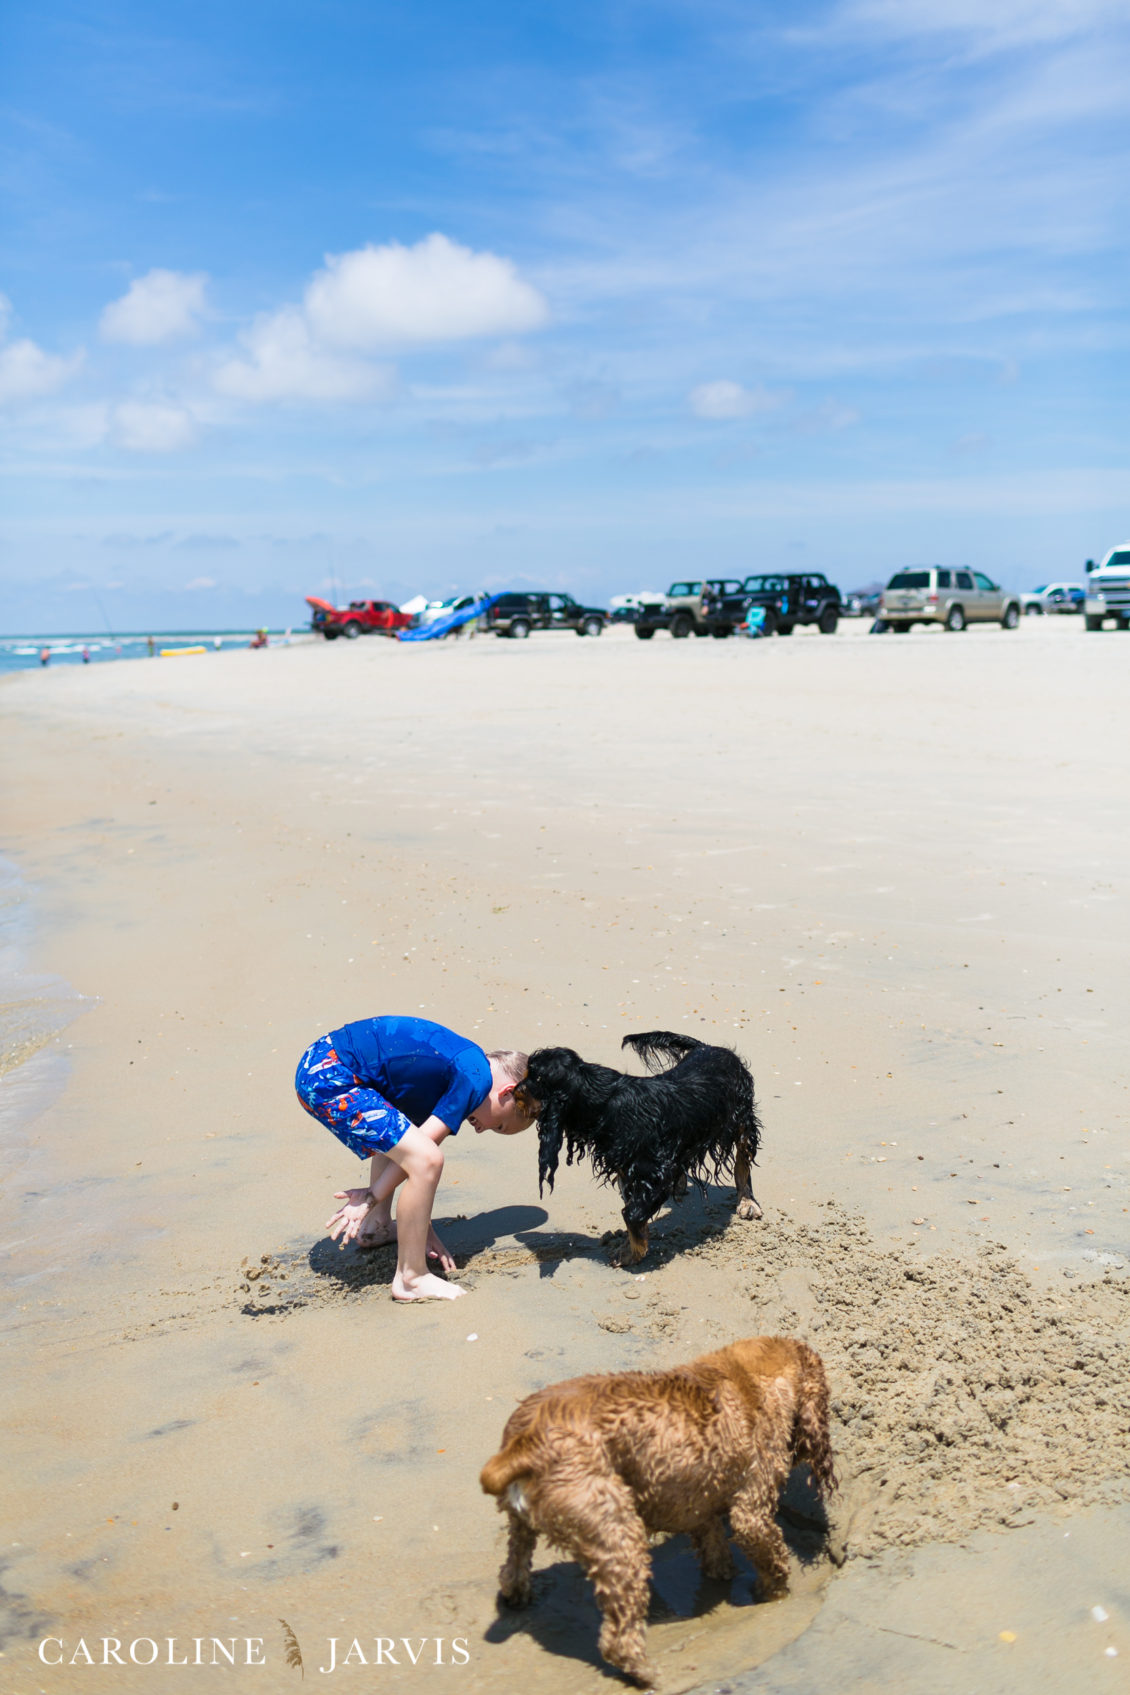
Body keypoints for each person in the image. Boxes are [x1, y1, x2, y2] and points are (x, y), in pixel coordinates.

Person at [295, 1016, 531, 1303]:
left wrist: (422, 1228)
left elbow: (406, 1152)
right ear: (507, 1094)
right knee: (428, 1159)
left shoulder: (454, 1073)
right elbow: (421, 1158)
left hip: (320, 1064)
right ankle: (411, 1278)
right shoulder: (475, 1077)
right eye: (500, 1126)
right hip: (331, 1073)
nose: (482, 1130)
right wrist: (369, 1197)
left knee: (406, 1140)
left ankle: (376, 1227)